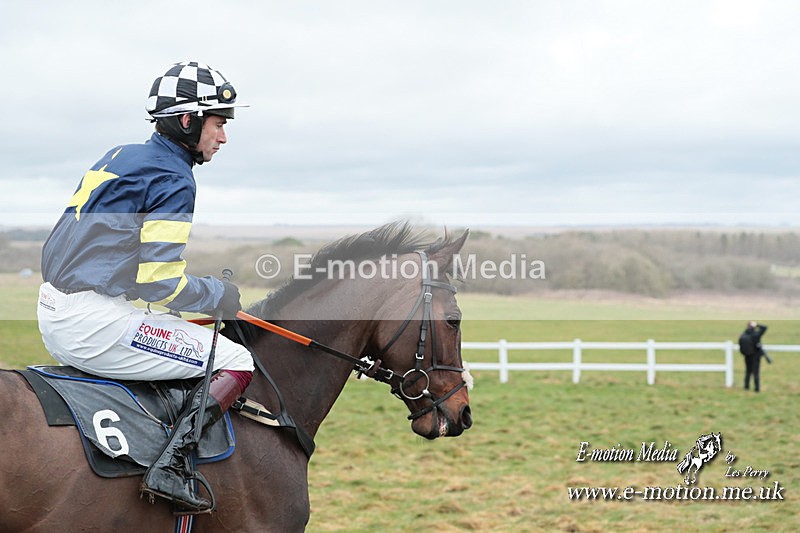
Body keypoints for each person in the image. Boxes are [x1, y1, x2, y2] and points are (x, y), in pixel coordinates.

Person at [37, 61, 255, 513]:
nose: (224, 136)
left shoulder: (123, 154)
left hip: (57, 306)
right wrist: (218, 295)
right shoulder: (173, 178)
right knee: (237, 358)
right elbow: (159, 282)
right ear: (188, 120)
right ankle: (170, 467)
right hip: (92, 321)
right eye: (219, 123)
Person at [738, 321, 768, 393]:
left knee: (748, 371)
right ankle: (757, 388)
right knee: (756, 372)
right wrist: (757, 324)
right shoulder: (756, 335)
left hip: (747, 356)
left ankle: (746, 387)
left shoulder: (744, 334)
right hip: (756, 356)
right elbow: (764, 328)